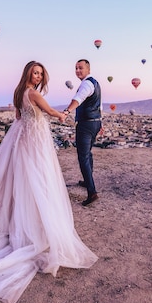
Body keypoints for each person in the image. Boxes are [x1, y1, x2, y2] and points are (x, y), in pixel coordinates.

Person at [0, 61, 98, 303]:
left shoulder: (18, 93)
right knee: (40, 182)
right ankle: (38, 227)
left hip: (25, 142)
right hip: (36, 143)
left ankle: (22, 222)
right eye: (35, 72)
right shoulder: (32, 93)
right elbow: (51, 113)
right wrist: (64, 114)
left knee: (25, 184)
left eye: (41, 73)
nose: (38, 76)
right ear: (28, 74)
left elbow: (19, 118)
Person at [62, 59, 102, 206]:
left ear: (88, 69)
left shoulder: (86, 84)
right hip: (95, 122)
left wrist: (66, 111)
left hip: (86, 125)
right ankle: (87, 181)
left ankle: (92, 192)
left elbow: (78, 99)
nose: (78, 70)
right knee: (88, 153)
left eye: (81, 68)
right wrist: (100, 122)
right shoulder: (95, 83)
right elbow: (99, 105)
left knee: (83, 156)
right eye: (76, 68)